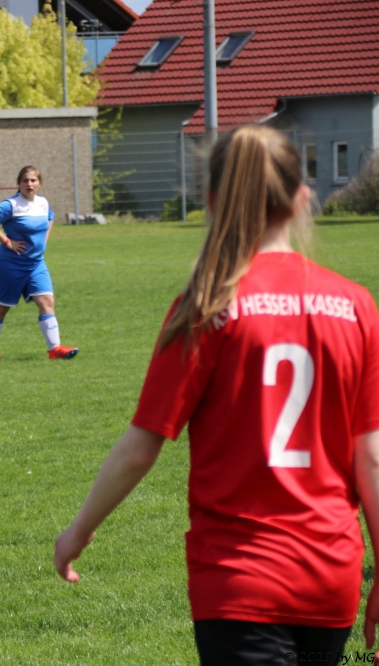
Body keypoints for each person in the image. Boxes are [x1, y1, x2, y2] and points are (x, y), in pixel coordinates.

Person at [53, 126, 379, 665]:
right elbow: (370, 456)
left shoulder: (207, 306)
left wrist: (78, 531)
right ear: (303, 198)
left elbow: (142, 446)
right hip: (331, 574)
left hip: (239, 578)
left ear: (211, 201)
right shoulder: (356, 305)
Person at [0, 166, 78, 361]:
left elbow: (50, 218)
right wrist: (7, 242)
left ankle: (55, 350)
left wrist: (44, 241)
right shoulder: (11, 204)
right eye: (25, 180)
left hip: (36, 262)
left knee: (47, 301)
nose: (29, 184)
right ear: (19, 183)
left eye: (33, 180)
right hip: (11, 263)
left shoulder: (43, 203)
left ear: (40, 183)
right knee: (3, 307)